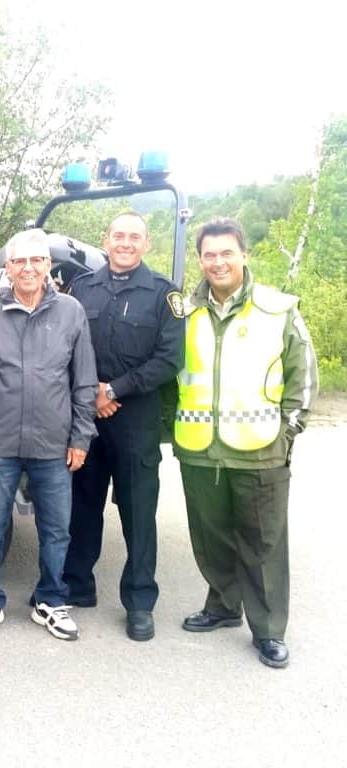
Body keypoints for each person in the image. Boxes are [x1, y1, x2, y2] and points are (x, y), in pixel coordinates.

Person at [175, 218, 318, 669]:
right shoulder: (183, 311)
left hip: (260, 450)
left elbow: (303, 377)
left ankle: (269, 630)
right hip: (199, 448)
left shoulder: (277, 309)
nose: (217, 262)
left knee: (263, 544)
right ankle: (221, 606)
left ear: (243, 255)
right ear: (199, 259)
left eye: (226, 253)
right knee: (210, 538)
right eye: (209, 255)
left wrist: (287, 431)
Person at [0, 229, 96, 641]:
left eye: (37, 260)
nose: (28, 268)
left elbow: (84, 380)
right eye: (19, 261)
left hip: (54, 444)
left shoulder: (72, 311)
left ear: (48, 266)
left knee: (57, 529)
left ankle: (51, 601)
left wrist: (81, 436)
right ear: (8, 268)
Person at [62, 212, 185, 642]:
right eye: (119, 235)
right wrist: (92, 393)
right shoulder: (82, 288)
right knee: (83, 503)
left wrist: (112, 390)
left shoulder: (165, 295)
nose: (126, 242)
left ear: (146, 244)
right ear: (106, 240)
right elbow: (69, 345)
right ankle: (76, 585)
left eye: (134, 236)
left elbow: (170, 360)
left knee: (137, 512)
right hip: (88, 415)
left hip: (135, 418)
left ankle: (139, 602)